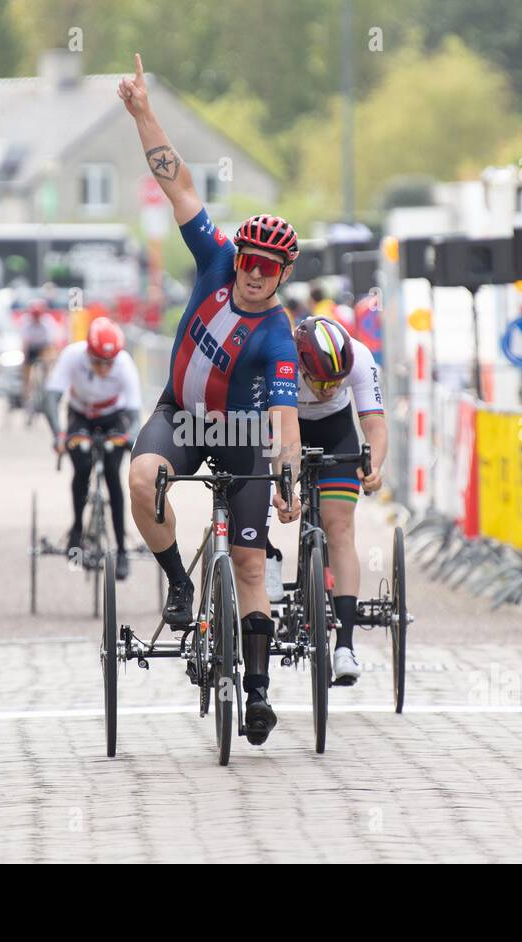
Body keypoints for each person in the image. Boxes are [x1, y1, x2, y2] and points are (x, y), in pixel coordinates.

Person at [118, 53, 302, 746]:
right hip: (181, 416)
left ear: (283, 274)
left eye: (268, 269)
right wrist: (142, 111)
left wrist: (288, 479)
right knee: (141, 479)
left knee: (253, 563)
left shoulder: (278, 334)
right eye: (249, 263)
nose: (253, 275)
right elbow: (180, 184)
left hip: (244, 435)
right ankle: (178, 582)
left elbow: (285, 418)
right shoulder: (218, 258)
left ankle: (257, 692)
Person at [266, 315, 388, 686]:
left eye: (337, 382)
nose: (328, 388)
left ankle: (344, 647)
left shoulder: (360, 358)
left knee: (339, 529)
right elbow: (272, 431)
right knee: (262, 492)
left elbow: (375, 425)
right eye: (319, 380)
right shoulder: (281, 360)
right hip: (286, 425)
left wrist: (374, 467)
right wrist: (283, 483)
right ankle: (267, 553)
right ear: (301, 366)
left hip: (337, 433)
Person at [43, 316, 142, 580]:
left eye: (108, 363)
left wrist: (131, 436)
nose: (104, 368)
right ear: (88, 352)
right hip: (81, 414)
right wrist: (58, 434)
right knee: (82, 465)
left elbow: (134, 414)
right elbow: (51, 398)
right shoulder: (72, 356)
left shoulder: (124, 364)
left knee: (113, 473)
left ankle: (121, 550)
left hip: (113, 416)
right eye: (98, 361)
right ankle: (77, 530)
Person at [19, 297, 56, 410]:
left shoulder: (48, 322)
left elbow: (50, 344)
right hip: (31, 347)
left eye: (38, 316)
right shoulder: (25, 321)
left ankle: (46, 385)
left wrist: (48, 361)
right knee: (26, 372)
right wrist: (25, 359)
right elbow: (25, 343)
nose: (36, 319)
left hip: (43, 347)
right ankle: (26, 397)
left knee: (48, 361)